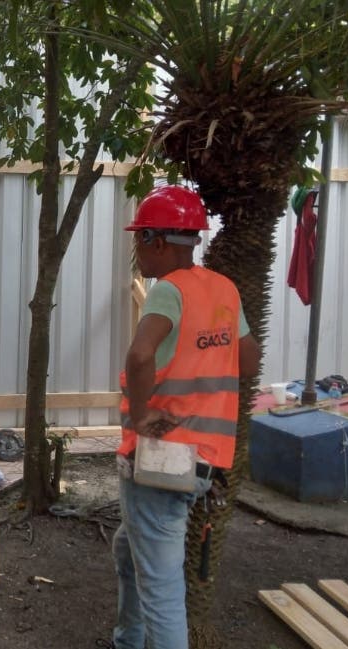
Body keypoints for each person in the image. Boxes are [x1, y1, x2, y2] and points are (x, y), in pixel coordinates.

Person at [112, 185, 261, 649]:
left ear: (156, 241)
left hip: (161, 458)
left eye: (138, 239)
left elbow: (140, 355)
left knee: (161, 589)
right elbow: (249, 360)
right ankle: (128, 640)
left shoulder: (167, 291)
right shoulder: (222, 290)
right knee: (128, 549)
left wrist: (142, 415)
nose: (136, 250)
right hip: (204, 457)